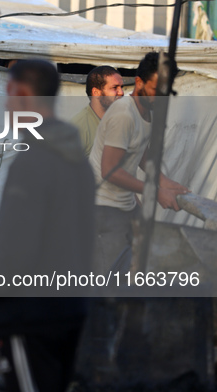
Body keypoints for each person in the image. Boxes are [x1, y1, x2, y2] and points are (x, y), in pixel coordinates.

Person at [0, 59, 96, 392]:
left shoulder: (33, 161)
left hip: (33, 313)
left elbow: (15, 246)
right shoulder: (76, 159)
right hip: (70, 306)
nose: (6, 104)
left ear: (25, 96)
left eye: (9, 95)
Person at [88, 52, 189, 273]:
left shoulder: (148, 111)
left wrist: (166, 182)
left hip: (124, 205)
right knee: (108, 284)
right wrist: (154, 191)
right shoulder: (124, 114)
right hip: (102, 208)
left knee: (140, 267)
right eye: (155, 89)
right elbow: (110, 170)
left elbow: (142, 154)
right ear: (139, 82)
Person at [71, 66, 124, 156]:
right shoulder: (79, 128)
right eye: (115, 88)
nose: (121, 92)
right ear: (96, 93)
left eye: (121, 87)